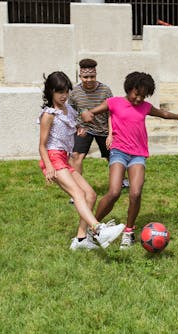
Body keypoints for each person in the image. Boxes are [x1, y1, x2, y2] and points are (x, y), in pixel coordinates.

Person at [81, 71, 178, 250]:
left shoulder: (145, 107)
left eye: (143, 95)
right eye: (136, 94)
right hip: (118, 152)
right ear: (129, 89)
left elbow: (162, 113)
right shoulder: (114, 102)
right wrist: (86, 114)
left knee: (135, 193)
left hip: (138, 154)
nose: (139, 98)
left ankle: (128, 232)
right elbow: (91, 112)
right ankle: (95, 227)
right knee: (114, 192)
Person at [38, 71, 125, 250]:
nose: (64, 96)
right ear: (50, 92)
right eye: (59, 92)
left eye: (66, 92)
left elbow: (72, 123)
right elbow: (42, 145)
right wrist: (48, 167)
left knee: (90, 195)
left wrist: (78, 129)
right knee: (77, 193)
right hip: (53, 158)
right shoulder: (49, 114)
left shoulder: (68, 109)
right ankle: (98, 229)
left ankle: (80, 239)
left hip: (64, 159)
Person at [68, 58, 129, 191]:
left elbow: (111, 113)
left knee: (113, 156)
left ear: (96, 75)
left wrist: (111, 134)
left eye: (92, 76)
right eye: (85, 77)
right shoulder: (74, 92)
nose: (89, 80)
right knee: (76, 155)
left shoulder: (105, 90)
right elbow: (70, 113)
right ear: (80, 76)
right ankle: (77, 188)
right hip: (84, 129)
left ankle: (122, 180)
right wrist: (77, 127)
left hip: (103, 129)